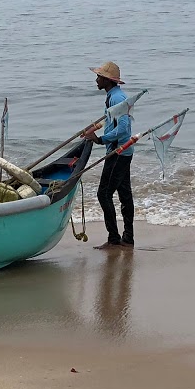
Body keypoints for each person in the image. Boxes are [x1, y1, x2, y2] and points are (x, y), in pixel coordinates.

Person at [84, 61, 134, 248]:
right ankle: (128, 239)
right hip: (122, 151)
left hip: (119, 152)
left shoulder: (117, 99)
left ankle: (114, 239)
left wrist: (99, 139)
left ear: (107, 80)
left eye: (99, 77)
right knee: (124, 194)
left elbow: (123, 130)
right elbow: (111, 121)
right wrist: (94, 129)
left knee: (104, 194)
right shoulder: (113, 97)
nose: (96, 80)